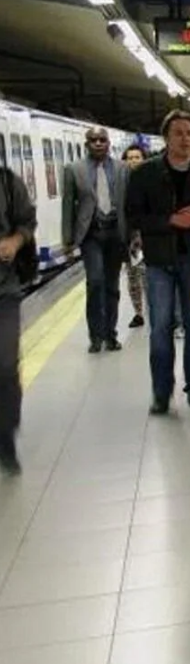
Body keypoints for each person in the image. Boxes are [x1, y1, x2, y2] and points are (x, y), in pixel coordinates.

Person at [126, 109, 190, 416]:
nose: (185, 139)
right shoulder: (145, 174)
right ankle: (161, 393)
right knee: (160, 329)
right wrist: (170, 220)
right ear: (166, 138)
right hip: (159, 262)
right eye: (178, 133)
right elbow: (134, 216)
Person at [62, 127, 129, 353]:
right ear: (86, 144)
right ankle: (96, 335)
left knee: (112, 286)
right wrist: (68, 241)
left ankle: (111, 334)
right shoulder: (74, 170)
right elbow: (67, 205)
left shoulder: (122, 169)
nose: (98, 143)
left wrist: (134, 234)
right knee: (96, 281)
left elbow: (128, 203)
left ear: (109, 143)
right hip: (91, 235)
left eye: (102, 140)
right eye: (93, 140)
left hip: (115, 233)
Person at [0, 166, 36, 476]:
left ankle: (6, 436)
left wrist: (15, 240)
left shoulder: (7, 181)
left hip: (3, 290)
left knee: (5, 364)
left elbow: (27, 220)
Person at [121, 145, 148, 329]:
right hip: (130, 238)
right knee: (133, 277)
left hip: (150, 236)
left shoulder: (151, 179)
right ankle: (138, 313)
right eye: (130, 157)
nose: (133, 161)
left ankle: (153, 309)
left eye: (137, 157)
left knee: (149, 276)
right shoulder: (121, 182)